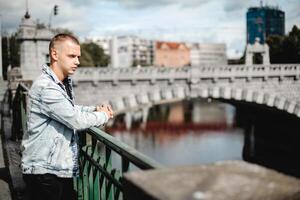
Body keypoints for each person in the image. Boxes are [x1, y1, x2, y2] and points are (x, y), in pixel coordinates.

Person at [21, 33, 114, 200]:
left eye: (78, 56)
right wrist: (103, 116)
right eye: (72, 56)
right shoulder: (46, 87)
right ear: (54, 54)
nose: (78, 61)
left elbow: (68, 109)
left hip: (52, 169)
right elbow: (75, 120)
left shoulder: (59, 83)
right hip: (44, 173)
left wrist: (93, 109)